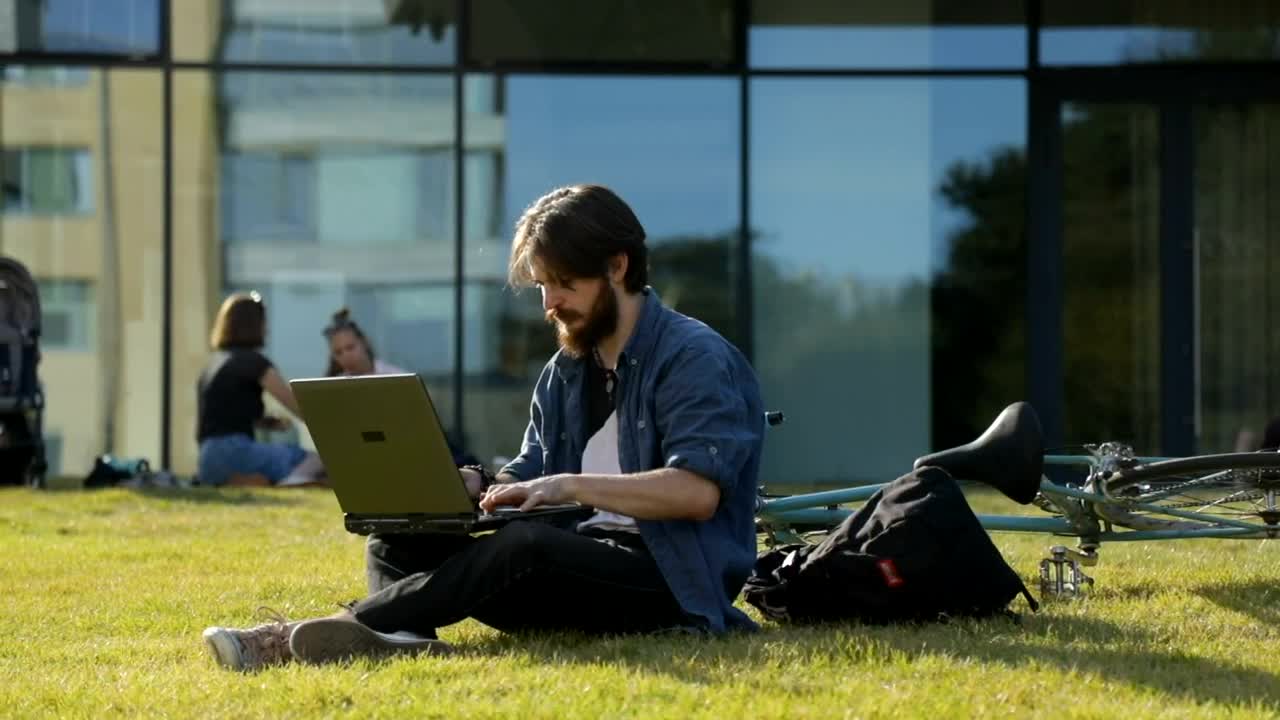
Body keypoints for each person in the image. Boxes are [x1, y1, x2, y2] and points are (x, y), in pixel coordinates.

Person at [201, 184, 766, 671]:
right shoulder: (566, 370)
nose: (549, 304)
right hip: (571, 564)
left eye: (564, 283)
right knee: (396, 536)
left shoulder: (693, 357)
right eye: (542, 286)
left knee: (524, 546)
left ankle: (298, 636)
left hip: (668, 583)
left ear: (617, 267)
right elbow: (532, 471)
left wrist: (570, 486)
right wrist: (475, 484)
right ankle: (400, 638)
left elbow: (695, 493)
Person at [196, 292, 325, 488]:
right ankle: (290, 483)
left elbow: (221, 415)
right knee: (318, 460)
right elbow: (298, 405)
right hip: (236, 452)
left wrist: (264, 422)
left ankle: (247, 481)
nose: (267, 328)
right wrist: (332, 428)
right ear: (255, 324)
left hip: (207, 460)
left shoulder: (213, 365)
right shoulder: (254, 362)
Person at [323, 308, 408, 377]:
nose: (346, 356)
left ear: (365, 343)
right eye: (338, 352)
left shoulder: (396, 376)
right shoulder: (336, 385)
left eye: (350, 347)